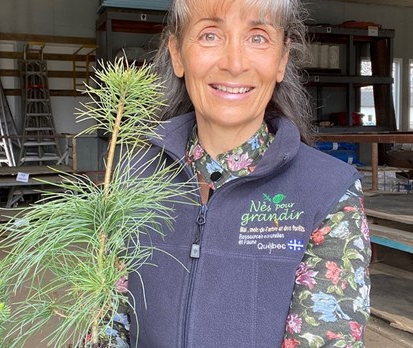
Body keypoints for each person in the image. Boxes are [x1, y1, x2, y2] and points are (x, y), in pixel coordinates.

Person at [126, 0, 372, 347]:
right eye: (210, 35)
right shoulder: (131, 179)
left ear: (282, 59)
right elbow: (108, 319)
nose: (234, 63)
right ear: (177, 54)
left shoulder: (329, 193)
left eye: (257, 38)